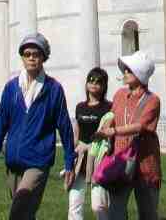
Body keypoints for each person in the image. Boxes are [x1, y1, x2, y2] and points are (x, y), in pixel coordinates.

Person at [0, 32, 76, 220]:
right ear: (22, 58)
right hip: (13, 162)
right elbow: (0, 124)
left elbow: (65, 127)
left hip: (38, 160)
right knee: (26, 213)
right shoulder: (11, 88)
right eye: (27, 54)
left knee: (18, 210)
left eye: (36, 54)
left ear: (43, 57)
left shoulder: (53, 89)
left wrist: (69, 162)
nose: (31, 58)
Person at [96, 50, 161, 220]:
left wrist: (114, 131)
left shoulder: (153, 100)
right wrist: (107, 124)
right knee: (115, 212)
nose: (124, 72)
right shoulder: (119, 95)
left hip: (145, 164)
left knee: (148, 214)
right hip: (120, 161)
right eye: (125, 69)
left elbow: (140, 126)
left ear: (140, 74)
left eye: (129, 69)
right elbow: (112, 116)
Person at [68, 66, 112, 220]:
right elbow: (76, 132)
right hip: (80, 159)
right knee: (74, 202)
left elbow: (108, 134)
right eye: (91, 80)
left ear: (104, 86)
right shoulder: (80, 107)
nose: (94, 84)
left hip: (98, 158)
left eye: (99, 82)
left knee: (98, 205)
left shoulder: (109, 107)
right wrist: (70, 153)